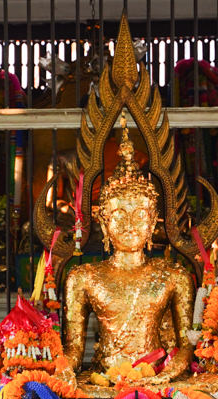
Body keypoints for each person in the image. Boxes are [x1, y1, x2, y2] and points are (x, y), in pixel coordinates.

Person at [63, 121, 194, 384]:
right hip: (105, 380)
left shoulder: (173, 276)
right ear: (103, 222)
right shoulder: (83, 277)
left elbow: (187, 346)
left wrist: (164, 376)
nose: (130, 226)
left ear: (153, 220)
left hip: (157, 378)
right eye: (119, 216)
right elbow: (74, 351)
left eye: (140, 215)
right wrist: (63, 370)